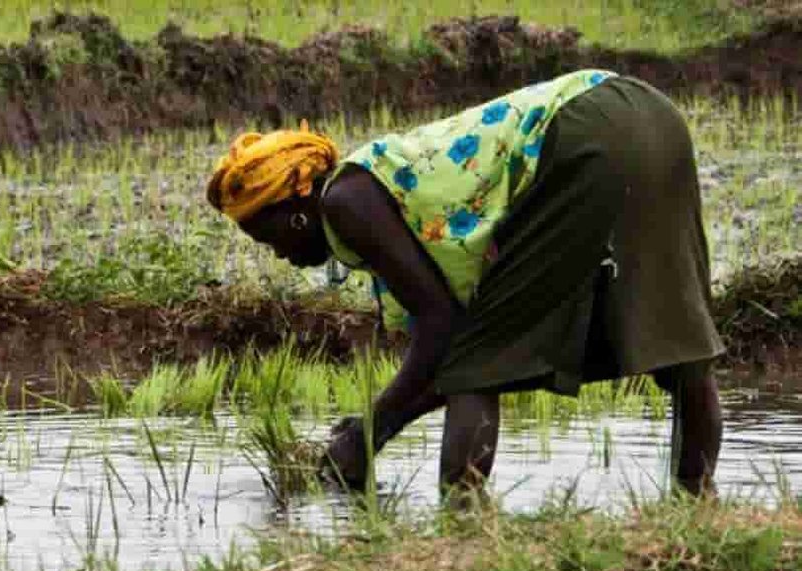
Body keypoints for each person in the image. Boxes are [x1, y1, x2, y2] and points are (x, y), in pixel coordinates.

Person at [206, 70, 723, 496]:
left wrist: (371, 431)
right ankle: (697, 504)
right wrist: (378, 424)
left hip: (581, 133)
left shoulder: (346, 200)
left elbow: (446, 332)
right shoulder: (374, 183)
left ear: (293, 208)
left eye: (265, 234)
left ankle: (463, 525)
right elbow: (443, 347)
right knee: (677, 337)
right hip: (650, 113)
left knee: (476, 363)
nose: (275, 253)